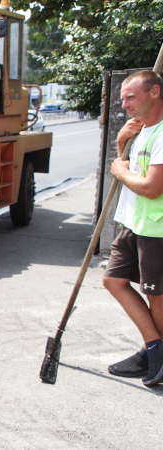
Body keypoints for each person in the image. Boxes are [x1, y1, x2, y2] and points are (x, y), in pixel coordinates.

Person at [104, 70, 163, 386]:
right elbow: (129, 170)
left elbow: (152, 187)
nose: (124, 104)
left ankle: (153, 353)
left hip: (156, 228)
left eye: (131, 97)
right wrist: (120, 142)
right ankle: (154, 347)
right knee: (114, 280)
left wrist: (118, 170)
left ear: (154, 92)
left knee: (157, 297)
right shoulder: (143, 131)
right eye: (122, 98)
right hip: (133, 221)